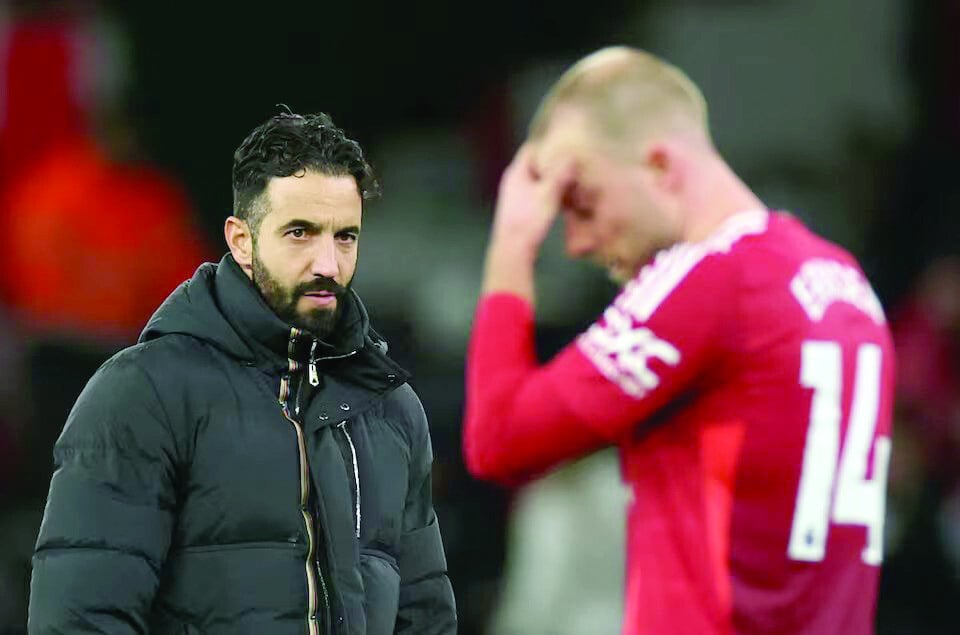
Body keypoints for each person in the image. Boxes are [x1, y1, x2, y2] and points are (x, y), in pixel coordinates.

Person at [463, 47, 895, 634]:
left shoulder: (711, 276)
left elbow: (498, 440)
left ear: (661, 167)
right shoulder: (848, 284)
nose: (576, 243)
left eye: (584, 204)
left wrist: (513, 244)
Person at [29, 111, 457, 634]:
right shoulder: (144, 393)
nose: (328, 263)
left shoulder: (392, 409)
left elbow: (426, 616)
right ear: (241, 241)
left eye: (345, 237)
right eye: (300, 232)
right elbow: (81, 619)